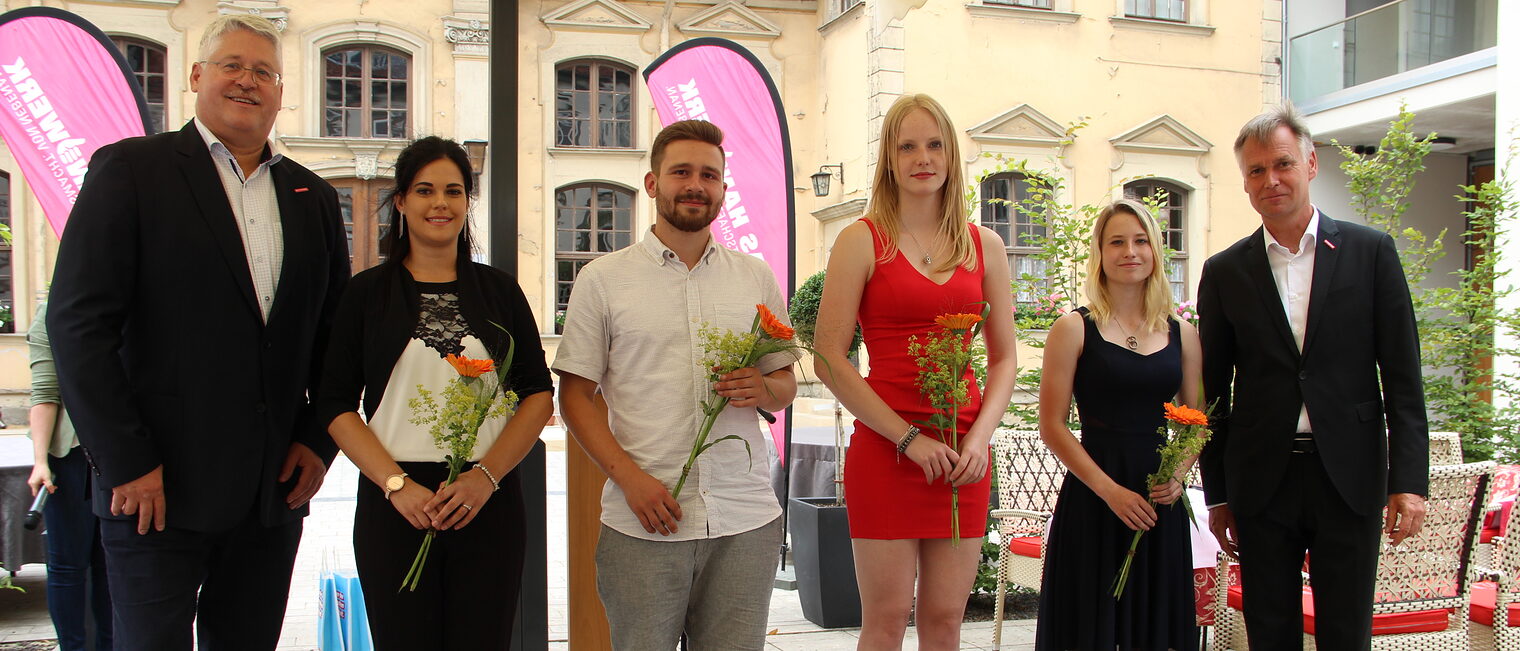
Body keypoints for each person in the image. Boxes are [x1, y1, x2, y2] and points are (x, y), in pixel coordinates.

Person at [45, 14, 349, 650]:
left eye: (264, 71)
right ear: (196, 75)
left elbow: (333, 336)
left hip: (271, 499)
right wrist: (126, 461)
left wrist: (318, 440)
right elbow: (78, 324)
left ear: (280, 89)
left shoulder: (311, 198)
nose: (248, 81)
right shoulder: (131, 171)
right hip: (155, 494)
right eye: (232, 65)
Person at [553, 119, 798, 650]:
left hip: (744, 518)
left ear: (723, 191)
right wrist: (629, 479)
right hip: (645, 520)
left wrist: (763, 388)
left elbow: (785, 381)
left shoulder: (755, 277)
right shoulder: (602, 279)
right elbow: (574, 396)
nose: (695, 184)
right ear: (651, 183)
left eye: (709, 175)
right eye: (681, 171)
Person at [1198, 104, 1429, 649]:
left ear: (1310, 163)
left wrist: (1408, 481)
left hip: (1348, 477)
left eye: (1282, 164)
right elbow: (1212, 395)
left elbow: (1403, 377)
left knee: (1347, 633)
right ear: (1245, 184)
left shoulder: (1371, 253)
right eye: (1255, 171)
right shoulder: (1225, 271)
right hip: (1261, 483)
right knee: (1270, 632)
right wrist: (1217, 494)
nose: (1270, 180)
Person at [315, 136, 553, 648]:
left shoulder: (499, 291)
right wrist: (396, 485)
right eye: (424, 190)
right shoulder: (365, 295)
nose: (439, 203)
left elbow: (538, 393)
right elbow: (334, 403)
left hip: (486, 499)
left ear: (469, 202)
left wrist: (485, 477)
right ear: (400, 202)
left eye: (453, 191)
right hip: (395, 504)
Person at [812, 93, 1017, 650]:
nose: (921, 157)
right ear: (890, 159)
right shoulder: (861, 240)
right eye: (907, 146)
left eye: (933, 145)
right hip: (887, 450)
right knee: (884, 619)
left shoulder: (985, 246)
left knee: (947, 619)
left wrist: (979, 439)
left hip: (962, 455)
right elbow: (829, 356)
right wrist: (908, 439)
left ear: (951, 155)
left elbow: (1004, 359)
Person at [1032, 199, 1202, 650]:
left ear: (1155, 251)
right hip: (1095, 496)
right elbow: (1052, 425)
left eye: (1141, 240)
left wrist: (1178, 475)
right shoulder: (1073, 328)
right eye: (1117, 242)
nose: (1130, 251)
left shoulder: (1182, 333)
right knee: (1091, 626)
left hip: (1157, 500)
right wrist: (1110, 492)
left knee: (1154, 626)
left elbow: (1197, 420)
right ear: (1101, 254)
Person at [26, 300, 113, 651]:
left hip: (120, 452)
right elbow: (45, 392)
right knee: (68, 566)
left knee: (111, 564)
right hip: (68, 455)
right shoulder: (52, 311)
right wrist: (40, 461)